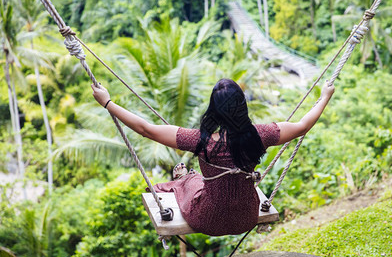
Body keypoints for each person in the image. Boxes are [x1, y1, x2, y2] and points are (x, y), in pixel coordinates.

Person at [92, 78, 335, 236]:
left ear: (214, 109)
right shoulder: (261, 135)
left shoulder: (201, 141)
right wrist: (324, 96)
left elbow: (147, 130)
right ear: (242, 105)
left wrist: (108, 103)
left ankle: (184, 178)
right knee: (199, 181)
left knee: (192, 182)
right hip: (246, 218)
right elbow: (302, 125)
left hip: (206, 219)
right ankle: (187, 177)